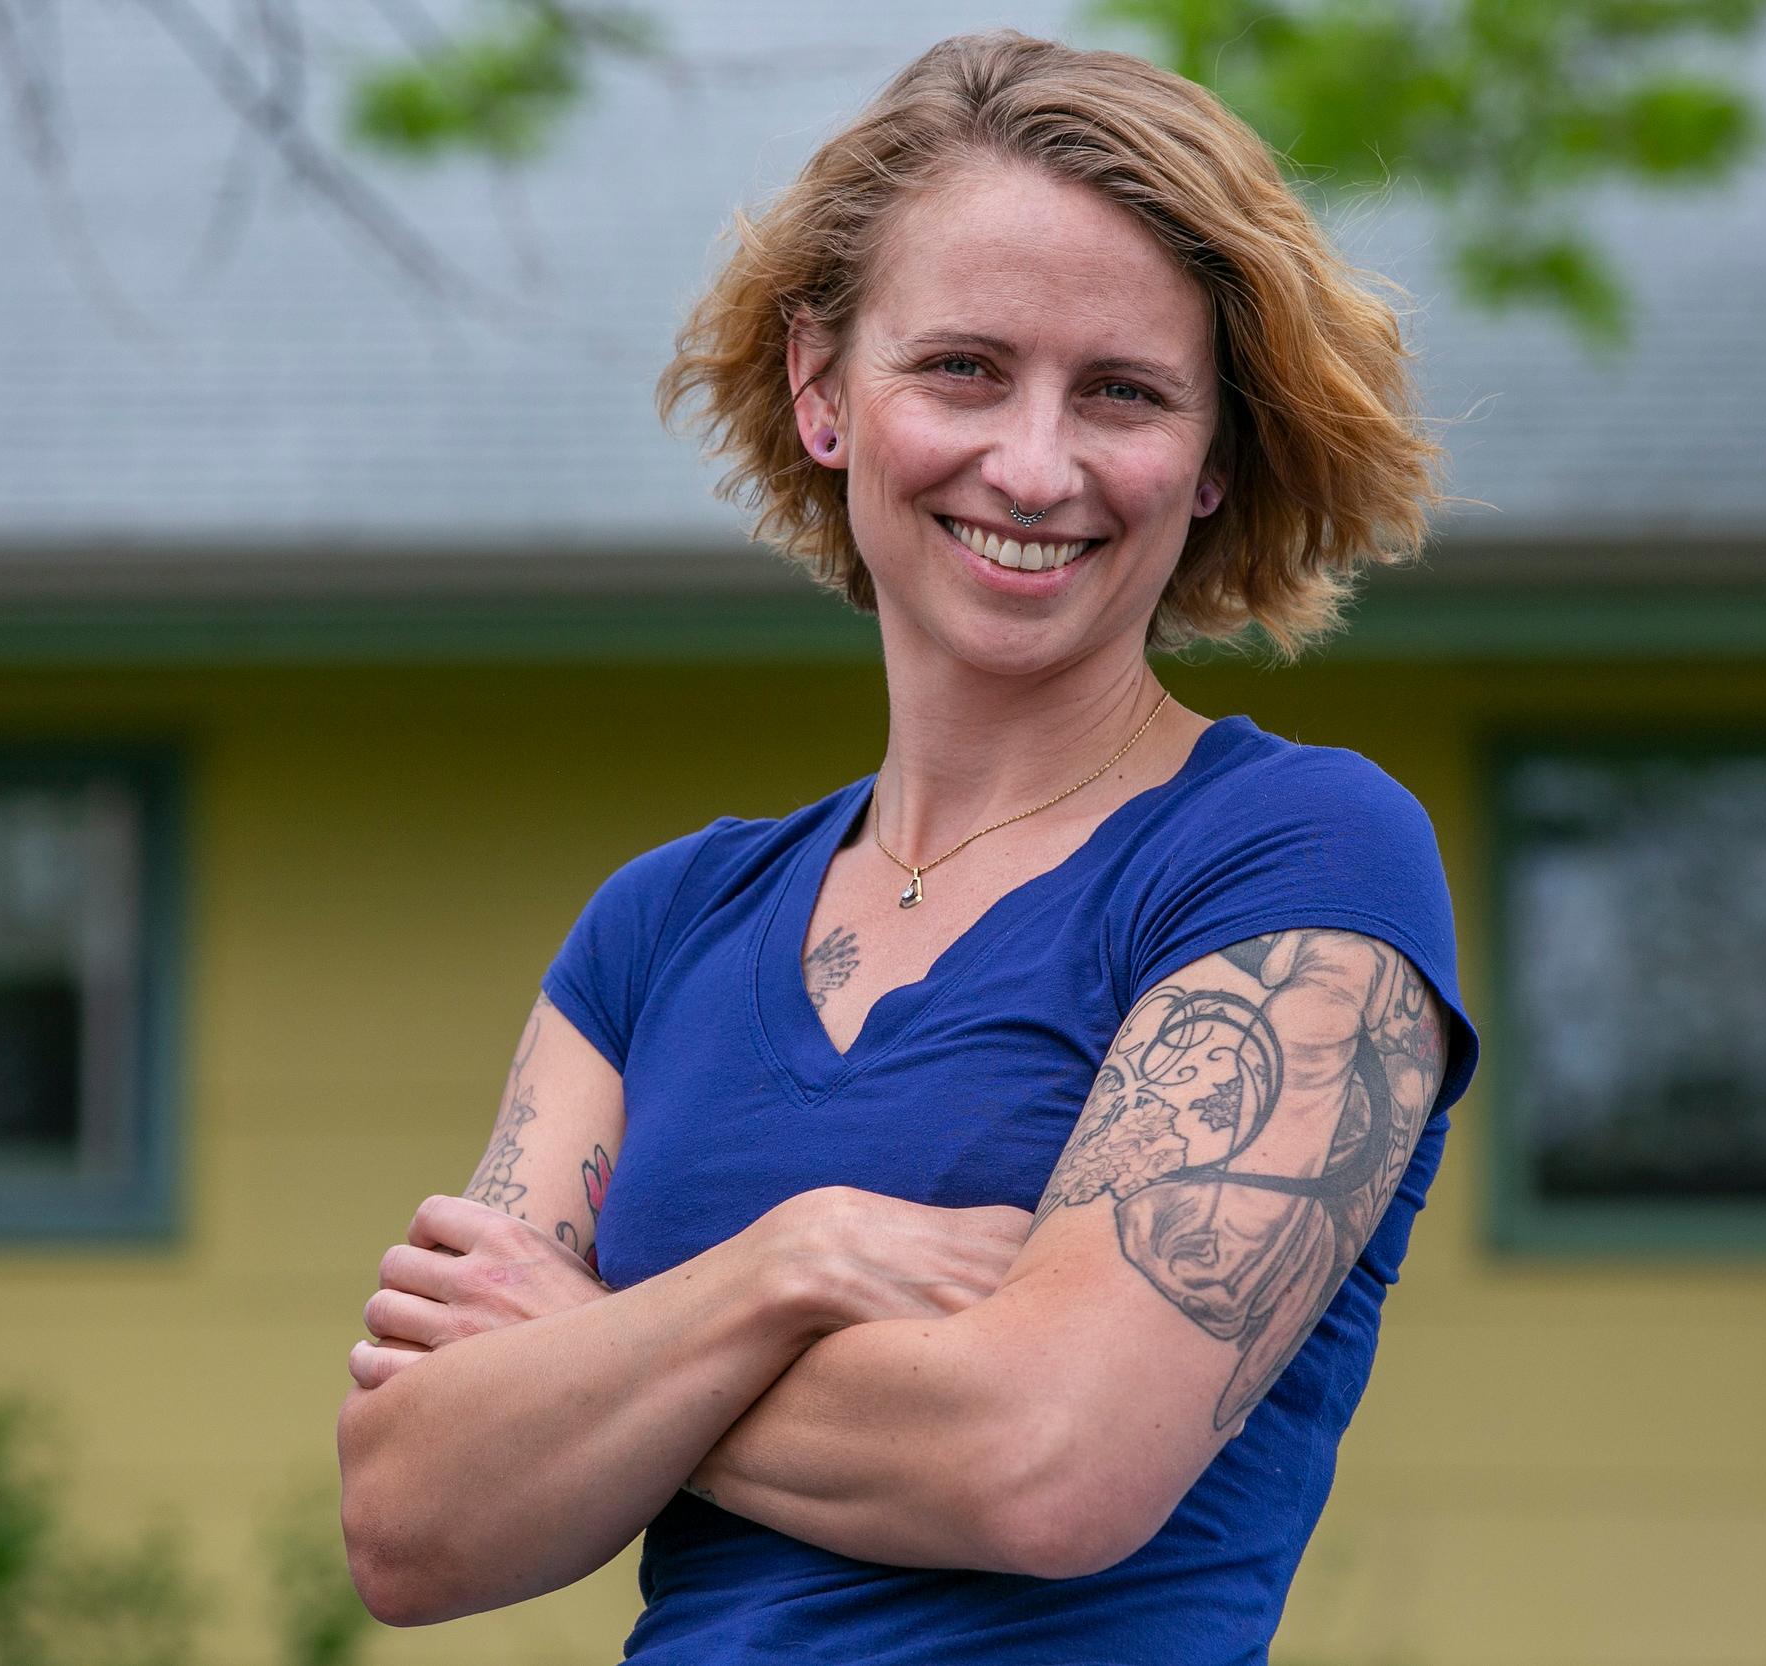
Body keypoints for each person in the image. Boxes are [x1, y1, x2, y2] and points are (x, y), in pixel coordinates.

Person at [335, 29, 1480, 1666]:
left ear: (1215, 454)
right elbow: (411, 1511)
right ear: (823, 390)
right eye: (962, 367)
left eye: (1124, 392)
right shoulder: (661, 930)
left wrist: (591, 1358)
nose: (1033, 462)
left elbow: (1049, 1462)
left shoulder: (1296, 855)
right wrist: (787, 1266)